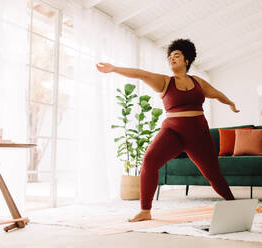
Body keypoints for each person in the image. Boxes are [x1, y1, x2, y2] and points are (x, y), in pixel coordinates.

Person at [96, 38, 240, 222]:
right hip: (173, 133)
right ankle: (145, 210)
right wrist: (115, 68)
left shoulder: (198, 83)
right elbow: (142, 74)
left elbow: (216, 93)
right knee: (149, 161)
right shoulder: (165, 82)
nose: (172, 59)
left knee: (213, 174)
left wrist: (230, 104)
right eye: (170, 56)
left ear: (187, 60)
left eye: (177, 55)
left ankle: (233, 204)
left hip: (199, 134)